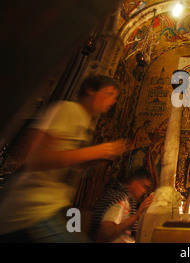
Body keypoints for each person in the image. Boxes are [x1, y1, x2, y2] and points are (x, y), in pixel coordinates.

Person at [0, 75, 129, 242]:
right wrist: (97, 151)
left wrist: (96, 159)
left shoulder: (86, 122)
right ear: (90, 90)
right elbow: (32, 158)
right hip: (32, 207)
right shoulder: (68, 110)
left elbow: (66, 161)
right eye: (110, 93)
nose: (113, 100)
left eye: (116, 97)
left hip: (55, 206)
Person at [89, 168, 153, 243]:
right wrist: (136, 215)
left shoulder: (128, 201)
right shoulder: (119, 199)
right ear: (135, 182)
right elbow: (105, 234)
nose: (145, 191)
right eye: (144, 187)